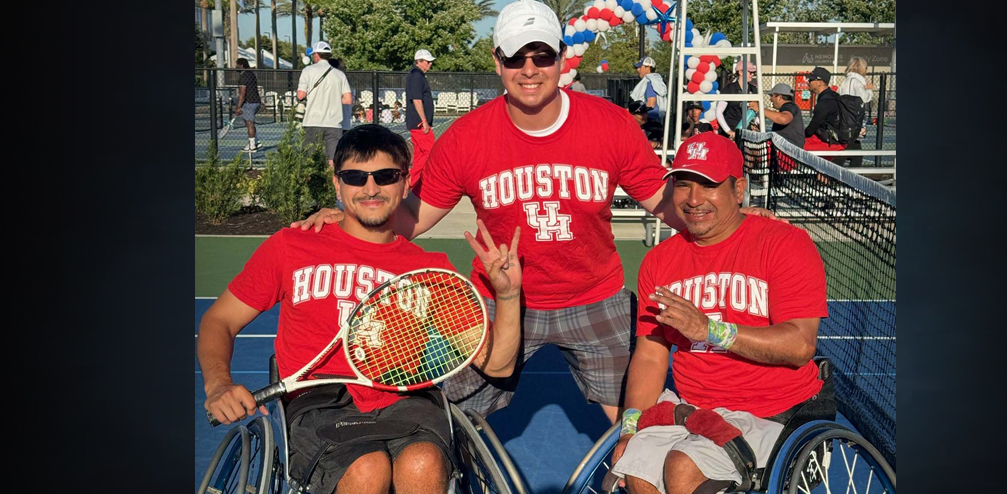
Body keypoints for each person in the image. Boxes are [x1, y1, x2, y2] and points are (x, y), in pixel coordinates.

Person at [292, 0, 783, 424]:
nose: (530, 68)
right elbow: (414, 219)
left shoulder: (609, 125)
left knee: (638, 424)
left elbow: (663, 200)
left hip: (595, 296)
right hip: (500, 301)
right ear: (497, 61)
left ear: (561, 58)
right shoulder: (467, 137)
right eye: (515, 57)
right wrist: (354, 214)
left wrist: (731, 221)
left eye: (542, 55)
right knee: (452, 424)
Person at [199, 124, 524, 494]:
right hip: (319, 402)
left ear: (405, 184)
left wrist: (508, 296)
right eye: (355, 177)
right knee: (367, 468)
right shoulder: (292, 246)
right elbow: (220, 319)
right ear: (337, 184)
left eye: (385, 176)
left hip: (406, 399)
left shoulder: (431, 270)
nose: (370, 189)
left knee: (423, 463)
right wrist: (219, 383)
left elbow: (498, 365)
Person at [607, 132, 830, 494]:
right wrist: (630, 429)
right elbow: (650, 355)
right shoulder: (659, 262)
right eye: (683, 184)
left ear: (738, 190)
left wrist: (710, 330)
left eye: (708, 185)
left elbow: (800, 344)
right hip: (694, 413)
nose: (694, 199)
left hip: (774, 415)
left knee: (682, 468)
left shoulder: (785, 243)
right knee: (638, 471)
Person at [297, 41, 354, 169]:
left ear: (316, 55)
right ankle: (331, 184)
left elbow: (301, 95)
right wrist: (333, 98)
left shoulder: (308, 70)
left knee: (310, 159)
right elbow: (348, 99)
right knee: (333, 160)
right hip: (334, 123)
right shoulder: (340, 74)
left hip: (312, 120)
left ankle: (313, 185)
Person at [836, 57, 876, 167]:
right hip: (853, 121)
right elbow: (864, 98)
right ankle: (847, 179)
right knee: (853, 153)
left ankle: (831, 177)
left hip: (845, 119)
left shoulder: (845, 81)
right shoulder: (857, 82)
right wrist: (869, 89)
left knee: (849, 150)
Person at [406, 48, 437, 185]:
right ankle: (411, 181)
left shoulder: (417, 75)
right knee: (430, 151)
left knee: (419, 154)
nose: (430, 64)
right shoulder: (416, 75)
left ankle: (415, 183)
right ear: (419, 61)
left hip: (418, 122)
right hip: (419, 123)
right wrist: (424, 120)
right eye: (427, 61)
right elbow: (417, 99)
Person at [802, 67, 847, 156]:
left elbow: (811, 130)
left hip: (832, 143)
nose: (808, 82)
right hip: (835, 138)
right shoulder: (834, 96)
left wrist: (801, 135)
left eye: (811, 79)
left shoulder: (825, 102)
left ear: (820, 83)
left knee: (796, 146)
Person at [715, 58, 759, 141]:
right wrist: (728, 131)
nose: (752, 75)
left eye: (753, 72)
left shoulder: (754, 89)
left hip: (748, 133)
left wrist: (756, 123)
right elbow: (719, 112)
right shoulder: (728, 89)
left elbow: (757, 111)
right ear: (740, 72)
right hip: (732, 133)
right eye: (750, 72)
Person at [760, 83, 805, 149]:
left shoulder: (789, 106)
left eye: (771, 96)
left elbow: (783, 119)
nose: (770, 99)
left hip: (790, 151)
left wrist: (760, 109)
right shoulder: (787, 108)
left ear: (779, 97)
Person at [235, 58, 263, 152]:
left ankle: (252, 146)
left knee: (249, 123)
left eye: (237, 65)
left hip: (250, 103)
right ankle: (257, 141)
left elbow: (242, 94)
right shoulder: (252, 74)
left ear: (241, 66)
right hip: (256, 102)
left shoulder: (243, 77)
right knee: (249, 122)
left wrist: (238, 107)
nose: (235, 67)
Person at [631, 56, 668, 123]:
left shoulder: (649, 82)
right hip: (656, 120)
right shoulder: (656, 81)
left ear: (647, 68)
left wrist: (637, 113)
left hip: (649, 120)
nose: (638, 70)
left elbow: (651, 104)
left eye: (640, 67)